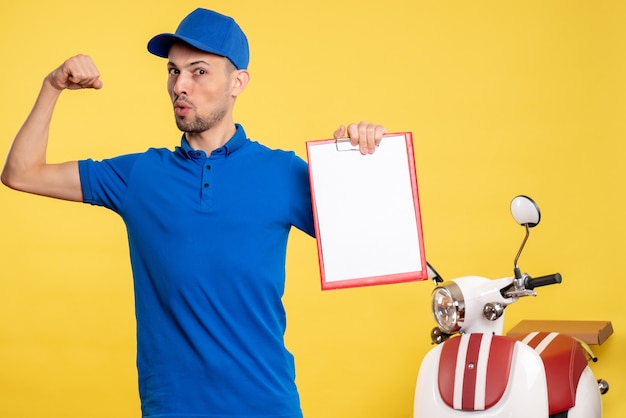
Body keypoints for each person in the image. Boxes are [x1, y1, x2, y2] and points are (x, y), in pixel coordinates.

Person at [1, 7, 385, 418]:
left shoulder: (281, 172)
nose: (179, 85)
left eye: (198, 71)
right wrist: (52, 85)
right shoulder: (140, 175)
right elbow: (21, 173)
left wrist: (365, 164)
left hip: (267, 405)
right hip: (172, 408)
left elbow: (376, 246)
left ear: (237, 82)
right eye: (173, 71)